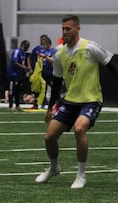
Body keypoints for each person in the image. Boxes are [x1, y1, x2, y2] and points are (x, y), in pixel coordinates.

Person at [35, 15, 118, 189]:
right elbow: (57, 81)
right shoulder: (59, 52)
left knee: (79, 129)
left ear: (78, 29)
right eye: (63, 29)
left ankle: (81, 175)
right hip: (70, 101)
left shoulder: (91, 47)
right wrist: (50, 108)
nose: (65, 32)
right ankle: (54, 167)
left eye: (68, 29)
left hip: (91, 100)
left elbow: (112, 65)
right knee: (49, 137)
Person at [6, 40, 32, 111]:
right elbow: (14, 61)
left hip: (18, 75)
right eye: (27, 47)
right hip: (12, 74)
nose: (27, 48)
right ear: (23, 45)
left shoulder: (23, 53)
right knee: (12, 90)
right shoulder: (17, 51)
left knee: (17, 90)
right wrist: (23, 67)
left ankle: (17, 105)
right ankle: (10, 105)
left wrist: (26, 69)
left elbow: (22, 63)